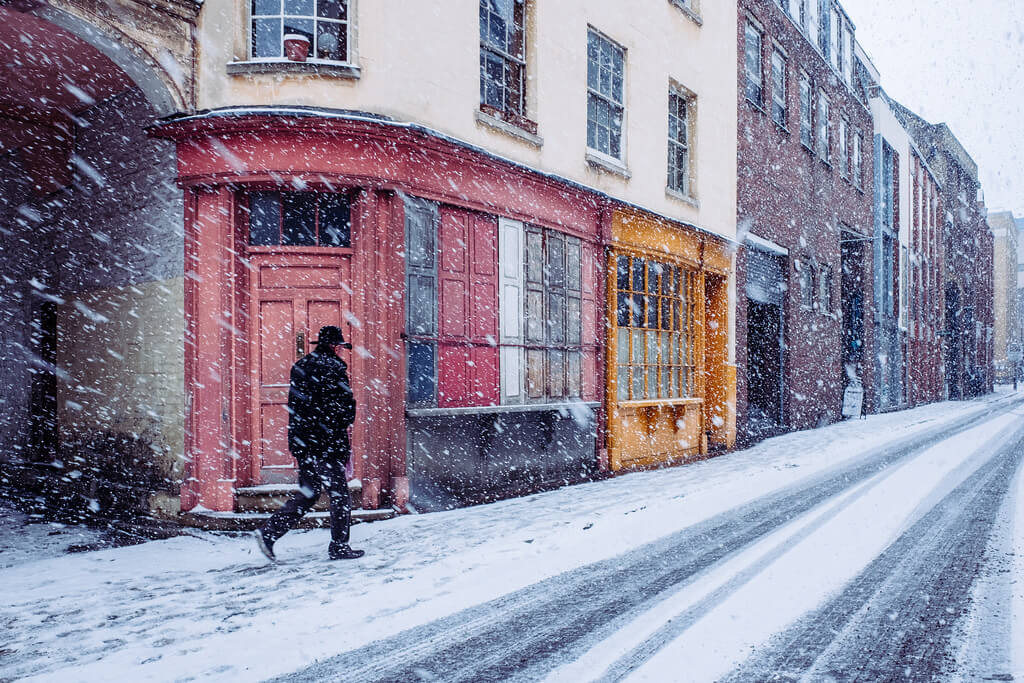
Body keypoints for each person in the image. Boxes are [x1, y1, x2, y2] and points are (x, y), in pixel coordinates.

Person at [256, 325, 364, 561]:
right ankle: (339, 546)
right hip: (326, 443)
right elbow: (342, 408)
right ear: (335, 346)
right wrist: (343, 422)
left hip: (304, 442)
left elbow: (298, 407)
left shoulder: (301, 366)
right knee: (339, 495)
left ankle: (269, 533)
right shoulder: (335, 368)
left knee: (310, 492)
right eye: (340, 347)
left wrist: (301, 439)